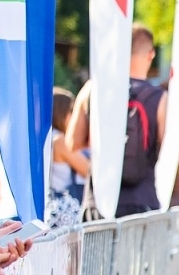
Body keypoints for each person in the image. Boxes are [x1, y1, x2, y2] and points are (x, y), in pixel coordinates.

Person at [70, 25, 169, 218]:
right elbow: (168, 150)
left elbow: (72, 142)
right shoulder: (160, 98)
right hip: (142, 202)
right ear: (150, 54)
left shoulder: (93, 88)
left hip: (99, 201)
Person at [47, 88, 87, 228]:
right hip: (65, 209)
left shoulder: (47, 138)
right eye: (72, 111)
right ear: (61, 112)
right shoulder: (60, 140)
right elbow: (88, 169)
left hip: (52, 208)